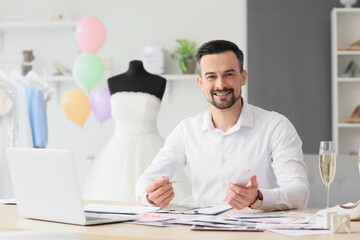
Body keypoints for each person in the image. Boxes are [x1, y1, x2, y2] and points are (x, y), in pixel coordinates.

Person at [135, 40, 310, 211]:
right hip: (202, 231)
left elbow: (299, 191)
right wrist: (150, 195)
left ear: (243, 77)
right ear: (201, 83)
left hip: (259, 232)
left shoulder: (276, 126)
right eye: (211, 76)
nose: (220, 84)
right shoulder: (186, 131)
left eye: (229, 74)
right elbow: (145, 181)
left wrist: (259, 198)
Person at [83, 60, 191, 202]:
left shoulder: (158, 82)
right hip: (118, 151)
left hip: (150, 147)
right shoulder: (113, 81)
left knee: (157, 197)